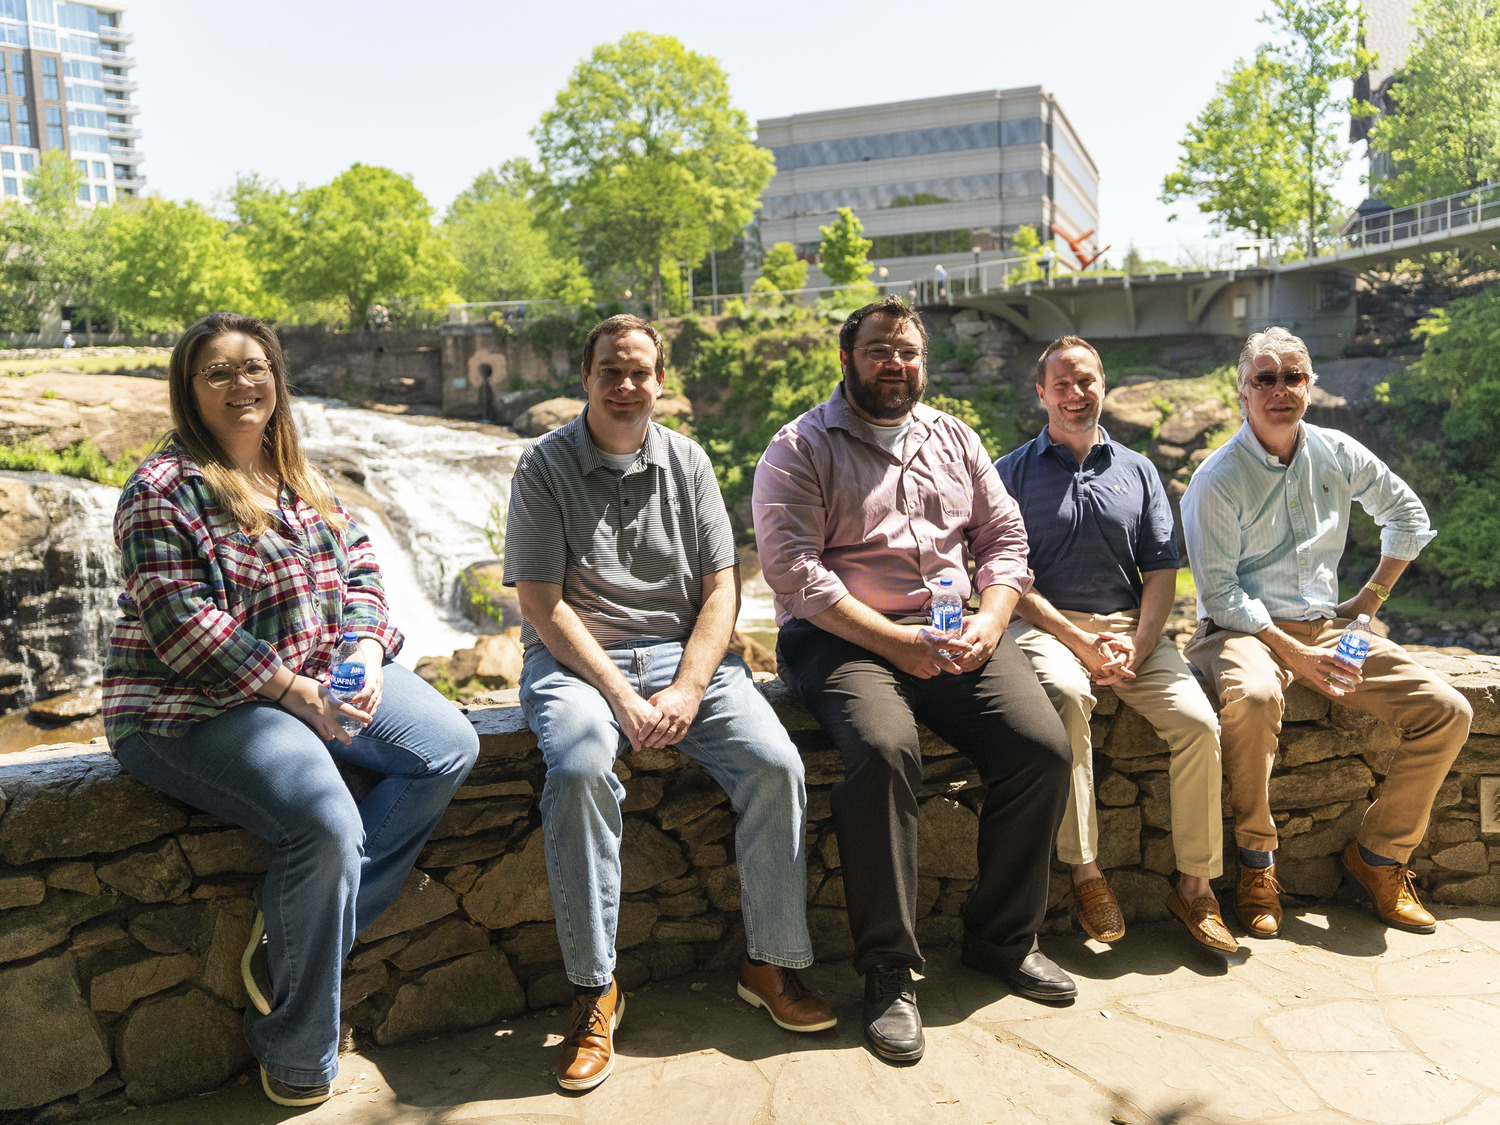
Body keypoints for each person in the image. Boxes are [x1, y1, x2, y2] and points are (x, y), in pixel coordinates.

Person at [103, 312, 479, 1108]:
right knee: (326, 821)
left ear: (276, 376)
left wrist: (367, 652)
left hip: (318, 674)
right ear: (189, 389)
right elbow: (184, 626)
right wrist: (294, 693)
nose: (242, 384)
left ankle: (291, 939)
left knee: (449, 742)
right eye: (219, 372)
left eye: (255, 367)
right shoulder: (162, 490)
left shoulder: (301, 477)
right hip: (188, 706)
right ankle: (298, 1052)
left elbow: (365, 574)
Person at [505, 314, 834, 1093]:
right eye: (610, 371)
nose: (625, 386)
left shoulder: (688, 460)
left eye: (639, 373)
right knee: (583, 764)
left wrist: (688, 685)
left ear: (661, 382)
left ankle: (770, 963)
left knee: (775, 763)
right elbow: (542, 603)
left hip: (689, 657)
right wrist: (621, 695)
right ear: (585, 378)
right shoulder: (543, 466)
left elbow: (724, 587)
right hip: (577, 660)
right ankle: (595, 991)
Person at [753, 296, 1073, 1066]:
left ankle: (1000, 941)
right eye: (879, 351)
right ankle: (889, 972)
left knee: (1042, 749)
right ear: (846, 357)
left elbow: (1004, 540)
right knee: (886, 751)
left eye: (908, 354)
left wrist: (993, 620)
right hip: (846, 640)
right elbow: (794, 573)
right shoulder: (798, 446)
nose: (896, 365)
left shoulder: (955, 437)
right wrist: (894, 642)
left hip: (958, 634)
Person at [1181, 326, 1471, 938]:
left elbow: (1409, 516)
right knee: (1257, 697)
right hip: (1240, 632)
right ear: (1244, 390)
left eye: (1293, 377)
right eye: (1266, 378)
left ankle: (1378, 858)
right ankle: (1257, 864)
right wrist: (1294, 654)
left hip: (1329, 626)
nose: (1280, 389)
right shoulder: (1217, 478)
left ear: (1310, 385)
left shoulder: (1338, 452)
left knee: (1448, 709)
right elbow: (1219, 593)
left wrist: (1369, 599)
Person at [996, 336, 1233, 953]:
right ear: (1042, 393)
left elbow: (1160, 569)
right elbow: (1005, 577)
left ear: (1104, 385)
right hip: (1048, 629)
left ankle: (1196, 885)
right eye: (1063, 384)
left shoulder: (1139, 470)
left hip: (1134, 630)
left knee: (1198, 723)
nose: (1076, 395)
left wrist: (1138, 640)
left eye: (1087, 382)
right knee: (1069, 698)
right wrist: (1078, 639)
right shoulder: (1008, 473)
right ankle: (1086, 872)